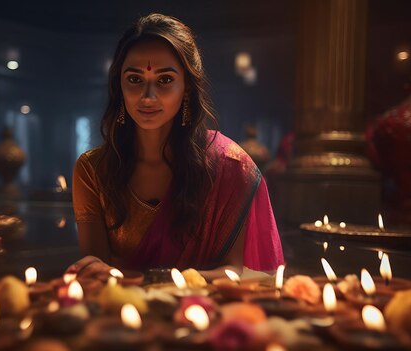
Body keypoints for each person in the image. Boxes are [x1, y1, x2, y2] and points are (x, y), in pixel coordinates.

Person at [68, 13, 283, 281]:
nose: (148, 96)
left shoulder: (229, 166)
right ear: (118, 86)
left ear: (187, 89)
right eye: (135, 80)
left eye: (165, 80)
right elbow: (95, 271)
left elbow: (234, 272)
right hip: (120, 311)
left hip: (204, 312)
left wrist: (159, 281)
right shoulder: (93, 170)